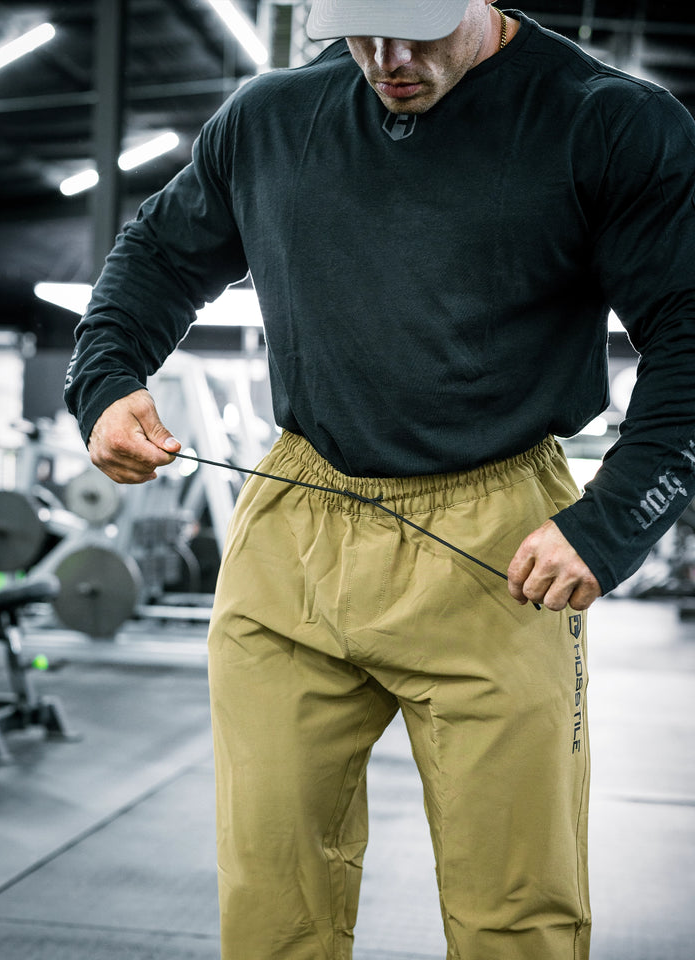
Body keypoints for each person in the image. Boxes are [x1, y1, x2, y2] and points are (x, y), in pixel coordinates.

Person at [64, 1, 695, 957]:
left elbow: (689, 336)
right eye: (360, 34)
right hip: (297, 520)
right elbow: (154, 257)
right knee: (272, 897)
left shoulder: (607, 121)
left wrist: (611, 524)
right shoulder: (269, 120)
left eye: (416, 32)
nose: (387, 61)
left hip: (499, 542)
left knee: (515, 908)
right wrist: (106, 382)